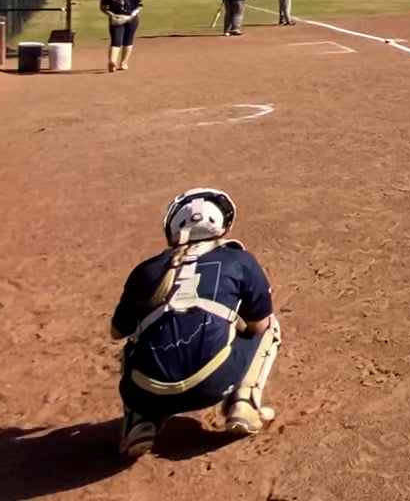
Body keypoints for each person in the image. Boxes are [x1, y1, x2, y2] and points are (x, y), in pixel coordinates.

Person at [111, 188, 282, 457]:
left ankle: (139, 422)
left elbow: (116, 332)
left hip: (147, 394)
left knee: (133, 344)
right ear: (222, 227)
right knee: (269, 325)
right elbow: (259, 326)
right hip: (213, 383)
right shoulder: (239, 260)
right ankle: (244, 403)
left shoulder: (146, 270)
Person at [101, 0, 144, 72]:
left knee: (128, 40)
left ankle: (124, 62)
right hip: (117, 20)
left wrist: (130, 16)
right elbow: (103, 7)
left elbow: (139, 6)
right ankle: (112, 62)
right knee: (116, 40)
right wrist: (112, 15)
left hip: (131, 19)